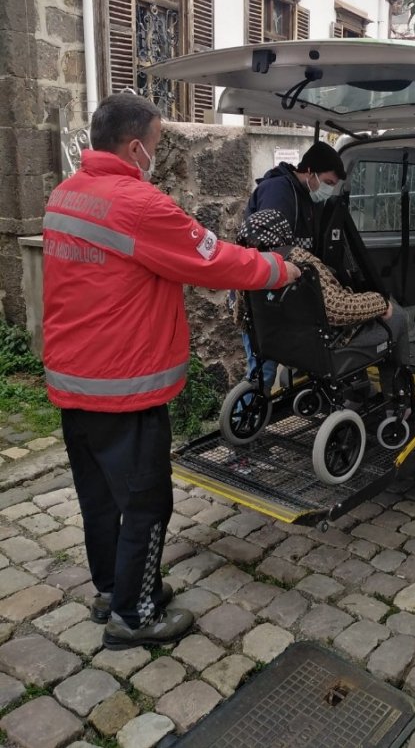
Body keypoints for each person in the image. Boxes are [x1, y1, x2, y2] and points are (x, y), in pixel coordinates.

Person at [42, 93, 300, 651]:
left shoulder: (66, 195)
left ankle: (115, 590)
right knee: (146, 503)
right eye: (156, 145)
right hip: (125, 387)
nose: (155, 154)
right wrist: (280, 268)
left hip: (74, 383)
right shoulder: (141, 205)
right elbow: (214, 259)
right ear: (136, 145)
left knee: (100, 499)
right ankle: (134, 619)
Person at [235, 210, 412, 411]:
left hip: (283, 348)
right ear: (283, 233)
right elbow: (338, 310)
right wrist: (380, 302)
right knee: (396, 317)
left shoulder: (251, 264)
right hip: (325, 348)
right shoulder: (299, 260)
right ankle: (397, 399)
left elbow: (242, 318)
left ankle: (359, 392)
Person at [241, 141, 346, 391]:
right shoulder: (279, 192)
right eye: (328, 183)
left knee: (292, 359)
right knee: (263, 370)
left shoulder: (306, 198)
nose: (329, 191)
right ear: (309, 171)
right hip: (264, 297)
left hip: (285, 295)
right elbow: (271, 249)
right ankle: (248, 420)